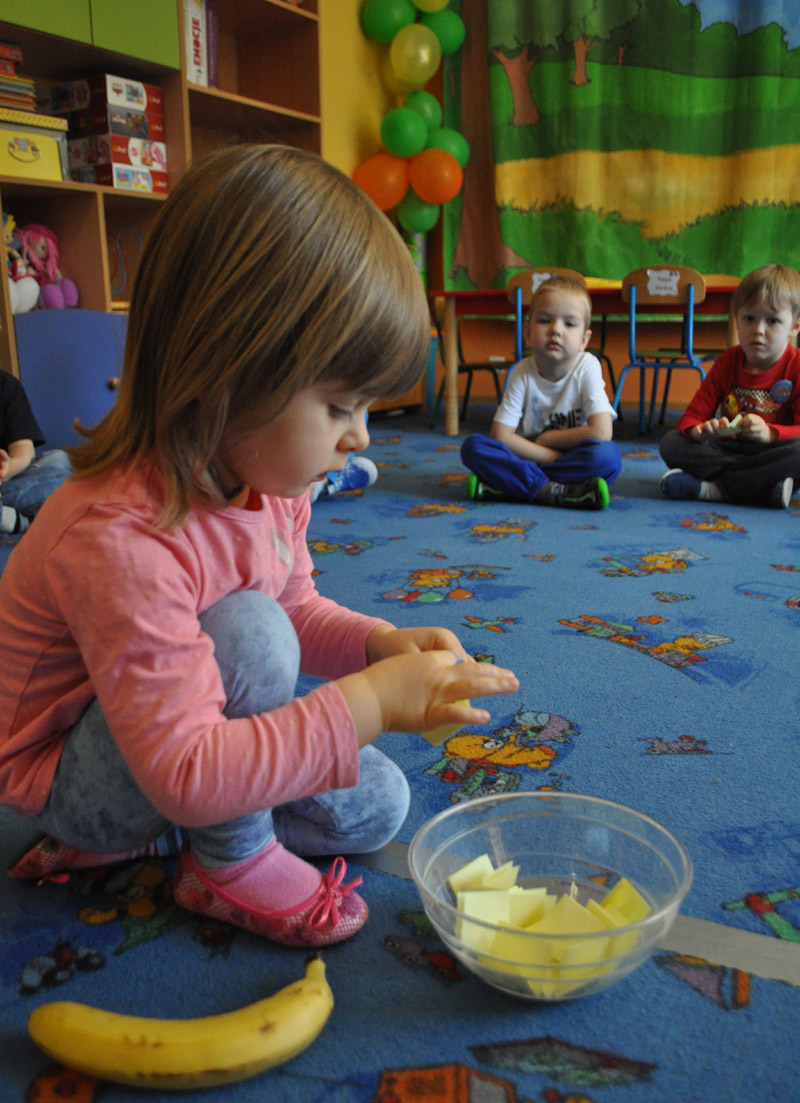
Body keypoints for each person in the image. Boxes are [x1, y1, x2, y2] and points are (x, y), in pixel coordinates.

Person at [0, 145, 519, 949]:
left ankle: (171, 839)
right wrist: (371, 702)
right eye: (340, 406)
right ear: (227, 374)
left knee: (376, 804)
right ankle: (225, 862)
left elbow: (295, 600)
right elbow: (188, 763)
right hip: (68, 777)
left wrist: (376, 645)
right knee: (251, 634)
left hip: (166, 730)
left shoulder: (271, 482)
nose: (361, 437)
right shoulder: (121, 537)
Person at [460, 275, 621, 509]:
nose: (555, 330)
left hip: (570, 458)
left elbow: (602, 431)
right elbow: (501, 435)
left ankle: (513, 486)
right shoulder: (521, 372)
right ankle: (559, 490)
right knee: (472, 447)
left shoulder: (587, 367)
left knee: (608, 457)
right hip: (529, 456)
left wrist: (548, 439)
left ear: (584, 340)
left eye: (569, 324)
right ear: (527, 333)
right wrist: (549, 456)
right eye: (544, 320)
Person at [660, 264, 800, 509]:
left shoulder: (796, 366)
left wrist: (770, 433)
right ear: (737, 319)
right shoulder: (727, 361)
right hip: (727, 449)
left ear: (794, 327)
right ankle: (760, 487)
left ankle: (714, 489)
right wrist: (699, 430)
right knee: (671, 443)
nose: (758, 330)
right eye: (749, 318)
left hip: (772, 452)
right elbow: (691, 417)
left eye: (773, 321)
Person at [0, 371, 71, 535]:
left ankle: (7, 516)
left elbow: (23, 450)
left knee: (60, 460)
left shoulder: (6, 384)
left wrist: (9, 468)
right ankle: (18, 520)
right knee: (67, 489)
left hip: (8, 483)